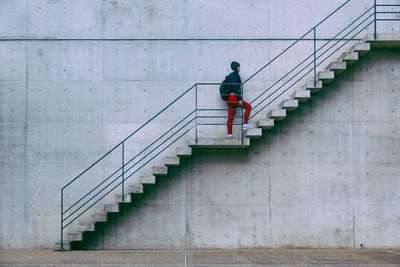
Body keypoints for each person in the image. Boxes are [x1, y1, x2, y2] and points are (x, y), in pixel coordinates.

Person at [226, 61, 252, 138]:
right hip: (234, 98)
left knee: (230, 117)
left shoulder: (230, 76)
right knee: (248, 107)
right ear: (236, 67)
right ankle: (245, 124)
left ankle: (229, 134)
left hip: (228, 99)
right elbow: (235, 87)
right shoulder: (235, 76)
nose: (239, 68)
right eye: (238, 66)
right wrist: (239, 99)